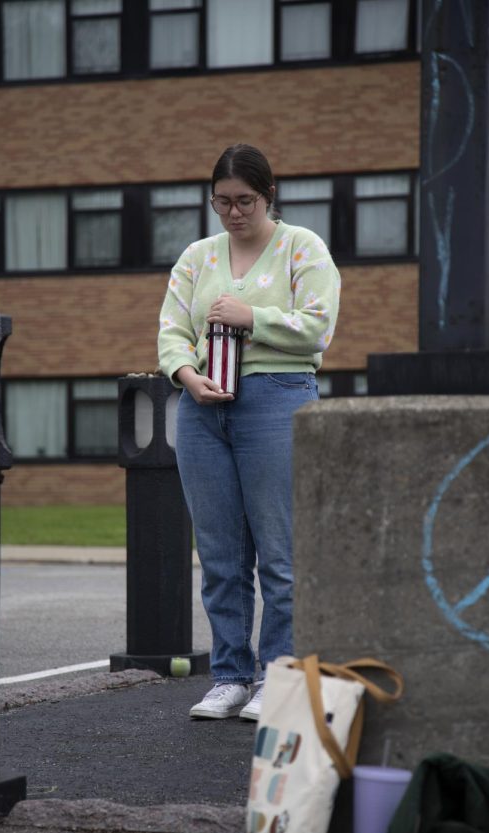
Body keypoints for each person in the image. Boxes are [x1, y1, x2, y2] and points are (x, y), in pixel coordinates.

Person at [157, 144, 340, 721]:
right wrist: (187, 376)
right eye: (222, 202)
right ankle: (231, 678)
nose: (234, 213)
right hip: (201, 405)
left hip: (277, 397)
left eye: (244, 201)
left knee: (278, 553)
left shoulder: (301, 247)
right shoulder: (196, 256)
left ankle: (279, 679)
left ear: (269, 195)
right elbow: (170, 331)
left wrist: (251, 318)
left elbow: (318, 328)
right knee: (219, 555)